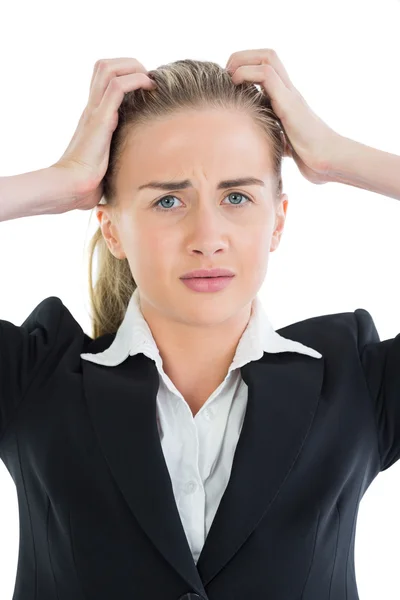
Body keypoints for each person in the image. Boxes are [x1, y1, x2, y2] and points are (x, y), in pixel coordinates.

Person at [1, 48, 400, 600]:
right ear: (111, 229)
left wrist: (336, 158)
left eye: (237, 196)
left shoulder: (357, 383)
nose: (207, 235)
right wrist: (60, 181)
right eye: (167, 201)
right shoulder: (32, 381)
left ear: (278, 220)